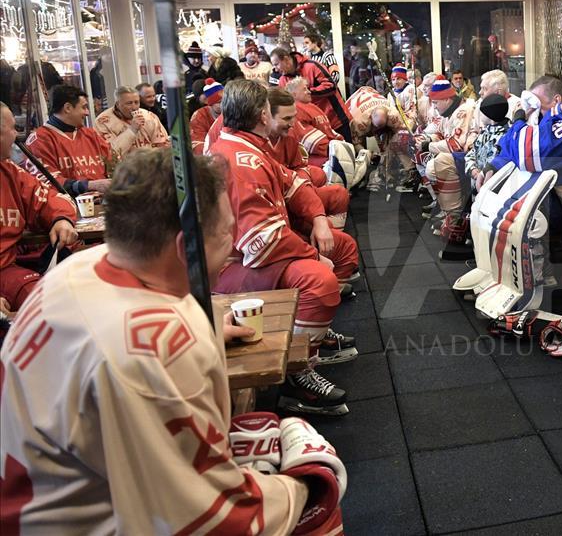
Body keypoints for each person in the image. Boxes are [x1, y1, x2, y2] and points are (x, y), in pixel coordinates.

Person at [0, 148, 347, 534]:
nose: (232, 246)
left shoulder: (78, 270)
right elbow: (209, 519)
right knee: (317, 491)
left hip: (49, 495)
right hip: (86, 521)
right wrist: (304, 487)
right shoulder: (156, 346)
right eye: (225, 234)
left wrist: (204, 330)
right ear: (188, 248)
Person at [208, 80, 358, 415]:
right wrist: (313, 254)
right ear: (263, 114)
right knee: (319, 279)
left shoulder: (245, 145)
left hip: (252, 252)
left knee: (340, 250)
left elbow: (296, 182)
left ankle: (308, 338)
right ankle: (295, 375)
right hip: (232, 265)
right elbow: (263, 240)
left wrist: (319, 219)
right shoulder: (239, 160)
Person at [206, 88, 349, 226]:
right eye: (287, 118)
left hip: (287, 190)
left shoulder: (289, 134)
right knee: (342, 243)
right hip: (266, 202)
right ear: (265, 116)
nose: (293, 123)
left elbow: (298, 169)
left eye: (294, 117)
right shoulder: (242, 142)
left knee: (326, 183)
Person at [0, 101, 78, 315]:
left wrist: (61, 218)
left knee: (54, 304)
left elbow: (52, 198)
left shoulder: (11, 172)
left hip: (7, 272)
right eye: (13, 128)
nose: (17, 135)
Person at [487, 74, 562, 185]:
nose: (533, 111)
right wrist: (495, 165)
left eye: (536, 105)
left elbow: (526, 155)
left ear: (556, 100)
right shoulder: (558, 114)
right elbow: (516, 145)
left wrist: (519, 119)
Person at [24, 84, 112, 197]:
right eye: (84, 107)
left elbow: (112, 165)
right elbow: (48, 182)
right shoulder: (39, 140)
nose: (87, 113)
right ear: (68, 108)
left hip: (104, 204)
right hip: (66, 208)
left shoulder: (91, 134)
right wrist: (89, 185)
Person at [419, 78, 479, 223]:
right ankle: (442, 204)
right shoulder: (449, 110)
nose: (434, 107)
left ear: (446, 99)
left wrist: (428, 145)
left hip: (472, 156)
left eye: (436, 103)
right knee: (423, 157)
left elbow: (456, 145)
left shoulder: (462, 111)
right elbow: (440, 132)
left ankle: (454, 214)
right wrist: (424, 139)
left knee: (435, 165)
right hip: (462, 155)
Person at [270, 47, 349, 139]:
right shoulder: (283, 80)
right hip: (312, 126)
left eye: (276, 64)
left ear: (286, 59)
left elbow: (331, 86)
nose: (275, 69)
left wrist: (307, 93)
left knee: (345, 151)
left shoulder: (312, 66)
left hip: (336, 120)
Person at [348, 86, 412, 192]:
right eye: (376, 127)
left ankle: (393, 172)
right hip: (357, 102)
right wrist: (368, 154)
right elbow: (355, 142)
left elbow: (402, 135)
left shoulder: (393, 115)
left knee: (396, 141)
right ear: (370, 119)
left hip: (374, 98)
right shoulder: (359, 121)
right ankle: (361, 177)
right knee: (362, 152)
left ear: (387, 118)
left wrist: (389, 151)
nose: (377, 130)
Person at [283, 77, 345, 168]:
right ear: (294, 94)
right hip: (319, 160)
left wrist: (342, 144)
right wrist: (338, 150)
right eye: (304, 89)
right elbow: (310, 141)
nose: (309, 92)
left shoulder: (313, 107)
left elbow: (329, 131)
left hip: (332, 151)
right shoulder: (296, 110)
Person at [95, 85, 170, 159]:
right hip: (122, 169)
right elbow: (110, 153)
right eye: (129, 103)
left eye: (136, 102)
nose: (134, 108)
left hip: (150, 165)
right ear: (118, 104)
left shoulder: (149, 117)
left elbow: (164, 146)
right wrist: (132, 130)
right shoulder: (103, 122)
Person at [189, 78, 223, 154]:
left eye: (226, 100)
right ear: (210, 104)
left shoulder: (231, 112)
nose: (224, 105)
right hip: (210, 157)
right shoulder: (199, 116)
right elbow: (197, 143)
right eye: (220, 102)